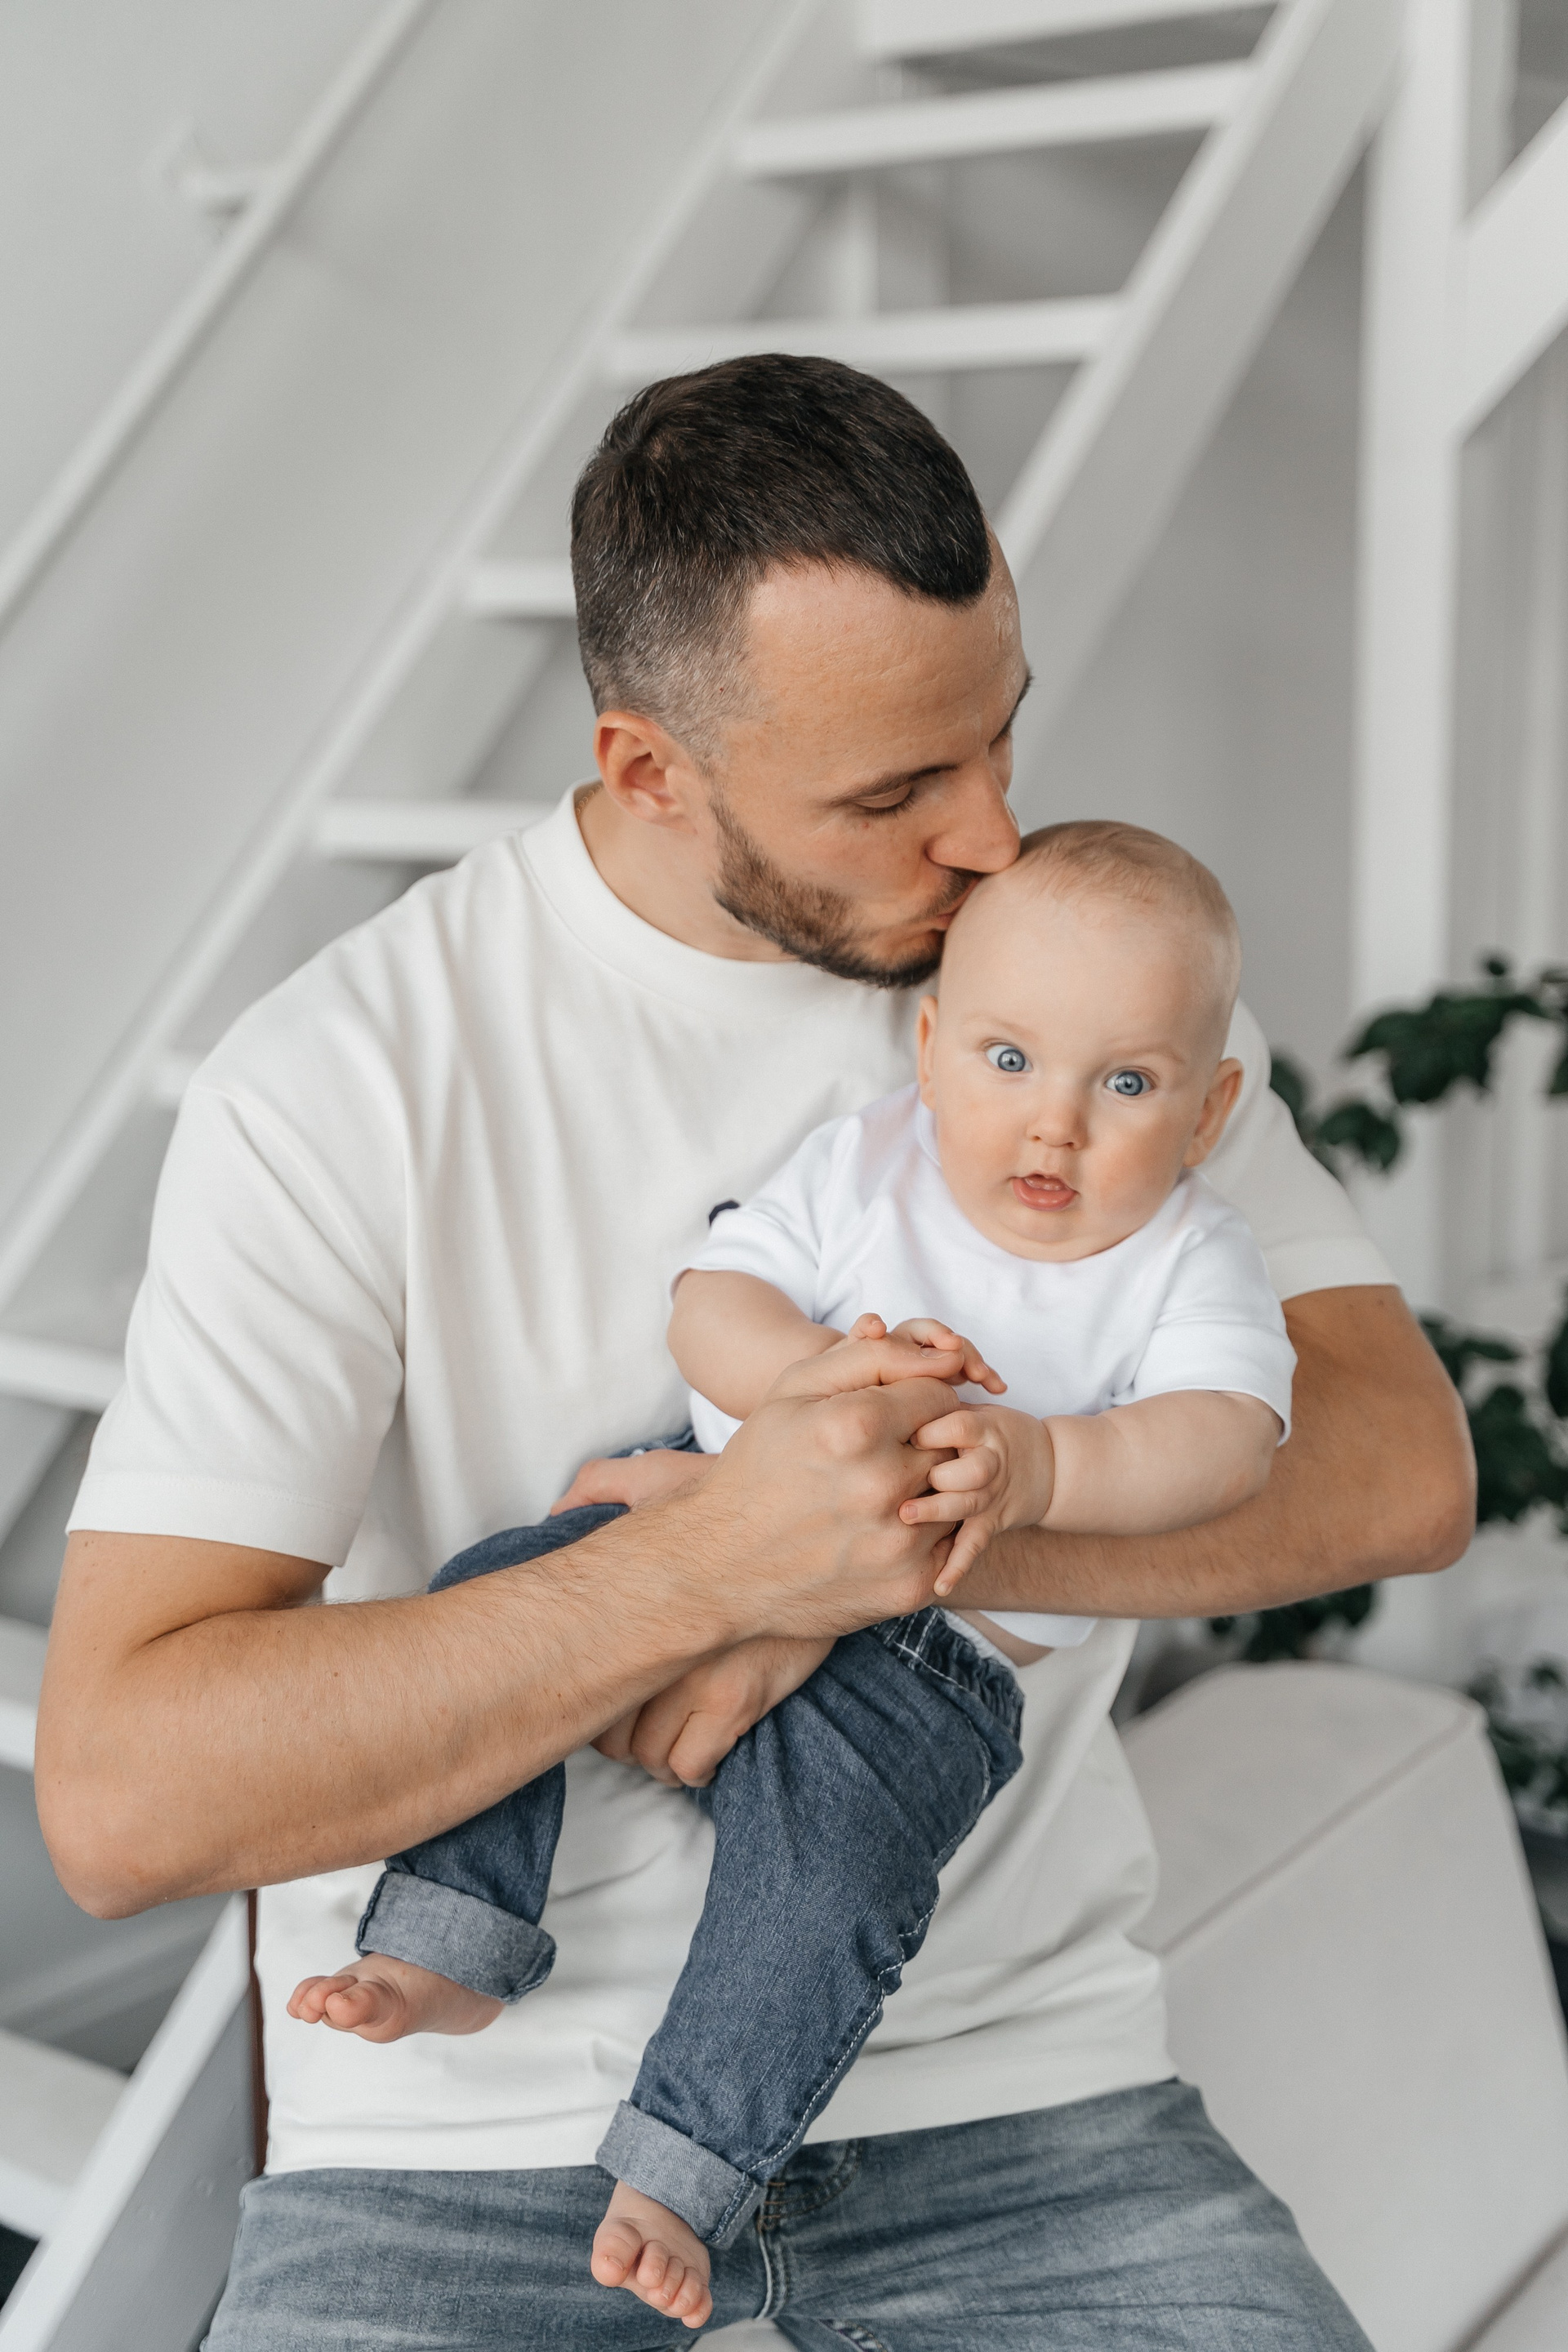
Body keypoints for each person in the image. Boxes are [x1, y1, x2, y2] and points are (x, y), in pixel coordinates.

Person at [37, 355, 1472, 2350]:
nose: (992, 836)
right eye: (894, 796)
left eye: (1000, 735)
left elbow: (1400, 1468)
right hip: (461, 2162)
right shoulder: (340, 1084)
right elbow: (122, 1800)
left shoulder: (1071, 1003)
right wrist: (709, 1566)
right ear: (650, 771)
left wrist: (887, 1542)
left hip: (1019, 2114)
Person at [284, 819, 1298, 2334]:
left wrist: (1045, 1466)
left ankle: (687, 2165)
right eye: (1009, 1061)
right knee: (495, 1602)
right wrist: (815, 1392)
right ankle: (450, 1935)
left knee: (827, 1883)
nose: (1056, 1127)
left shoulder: (1189, 1256)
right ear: (933, 1049)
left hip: (933, 1659)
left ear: (1210, 1110)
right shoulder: (869, 1160)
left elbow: (1226, 1440)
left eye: (1129, 1086)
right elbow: (713, 1306)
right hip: (708, 1524)